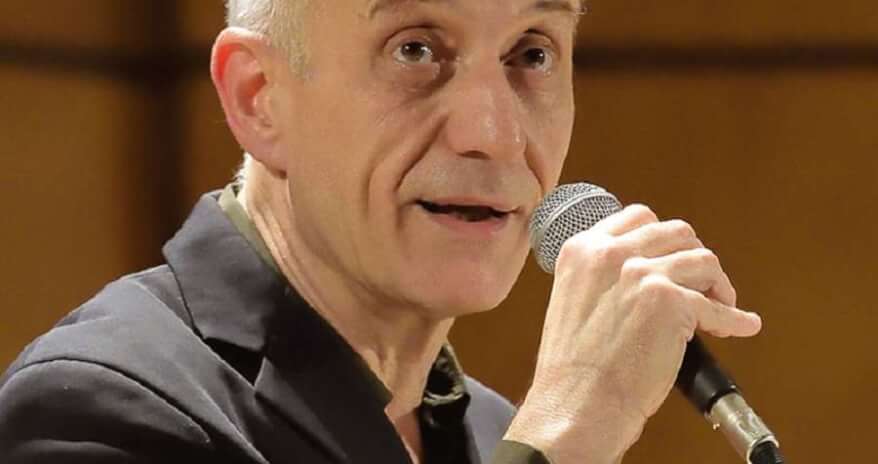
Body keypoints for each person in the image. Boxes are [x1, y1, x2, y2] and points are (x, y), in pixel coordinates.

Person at [0, 1, 763, 463]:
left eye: (532, 53)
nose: (494, 135)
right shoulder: (96, 413)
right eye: (415, 49)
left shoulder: (493, 432)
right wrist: (567, 439)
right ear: (260, 97)